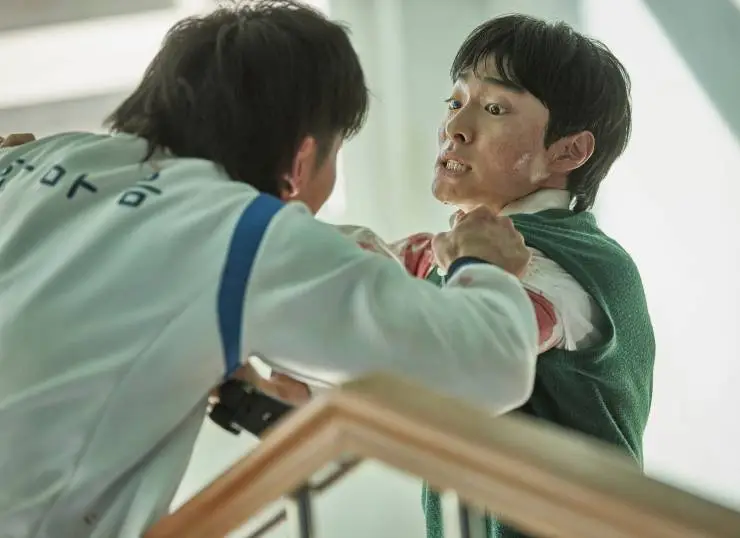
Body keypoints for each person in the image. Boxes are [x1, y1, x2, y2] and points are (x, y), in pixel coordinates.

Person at [0, 3, 541, 537]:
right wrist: (482, 263)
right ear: (301, 161)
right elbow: (486, 364)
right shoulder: (246, 234)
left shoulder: (30, 159)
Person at [268, 13, 656, 538]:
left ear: (568, 150)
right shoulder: (459, 255)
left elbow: (445, 353)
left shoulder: (552, 265)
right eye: (455, 102)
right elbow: (373, 283)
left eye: (494, 108)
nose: (454, 127)